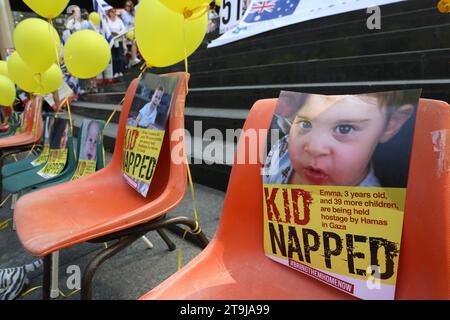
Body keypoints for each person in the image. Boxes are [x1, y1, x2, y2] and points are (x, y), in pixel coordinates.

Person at [263, 91, 416, 187]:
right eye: (306, 124)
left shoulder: (373, 215)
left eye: (344, 129)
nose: (315, 147)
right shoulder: (281, 152)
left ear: (391, 125)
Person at [107, 8, 127, 78]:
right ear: (109, 13)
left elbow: (124, 29)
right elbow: (107, 30)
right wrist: (112, 34)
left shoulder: (119, 20)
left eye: (114, 12)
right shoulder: (107, 21)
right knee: (114, 57)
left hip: (119, 40)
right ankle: (115, 72)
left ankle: (120, 71)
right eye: (112, 12)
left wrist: (118, 33)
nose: (113, 13)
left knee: (120, 56)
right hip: (112, 41)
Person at [121, 0, 141, 67]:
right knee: (134, 38)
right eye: (126, 5)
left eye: (129, 6)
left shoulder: (132, 13)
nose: (127, 7)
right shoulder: (123, 13)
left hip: (134, 30)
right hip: (127, 31)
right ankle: (134, 58)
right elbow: (130, 22)